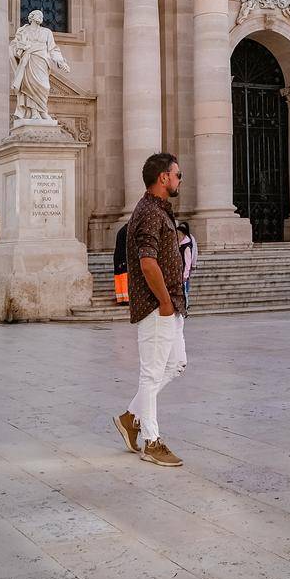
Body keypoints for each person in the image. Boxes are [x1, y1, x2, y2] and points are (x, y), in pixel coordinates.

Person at [113, 153, 187, 467]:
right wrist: (166, 302)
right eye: (177, 174)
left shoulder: (159, 210)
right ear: (163, 178)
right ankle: (151, 441)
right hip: (159, 307)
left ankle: (131, 417)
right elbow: (146, 260)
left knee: (177, 364)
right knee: (151, 372)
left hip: (171, 305)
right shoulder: (148, 212)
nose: (179, 179)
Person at [177, 220, 198, 307]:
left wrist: (193, 264)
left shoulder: (187, 244)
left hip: (184, 272)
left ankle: (185, 306)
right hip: (178, 271)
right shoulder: (179, 243)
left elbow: (189, 259)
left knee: (185, 290)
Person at [112, 221, 129, 305]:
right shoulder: (126, 231)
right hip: (122, 258)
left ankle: (121, 299)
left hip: (118, 258)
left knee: (119, 278)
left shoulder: (122, 230)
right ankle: (126, 299)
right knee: (124, 278)